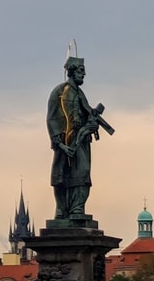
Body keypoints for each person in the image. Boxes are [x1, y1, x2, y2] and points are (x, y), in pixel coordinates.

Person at [46, 56, 112, 220]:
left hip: (81, 142)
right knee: (61, 175)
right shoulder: (59, 92)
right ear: (72, 71)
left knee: (82, 173)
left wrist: (91, 127)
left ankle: (77, 208)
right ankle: (62, 209)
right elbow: (51, 118)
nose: (84, 74)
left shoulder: (80, 94)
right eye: (81, 71)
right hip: (65, 141)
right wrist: (59, 144)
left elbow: (86, 115)